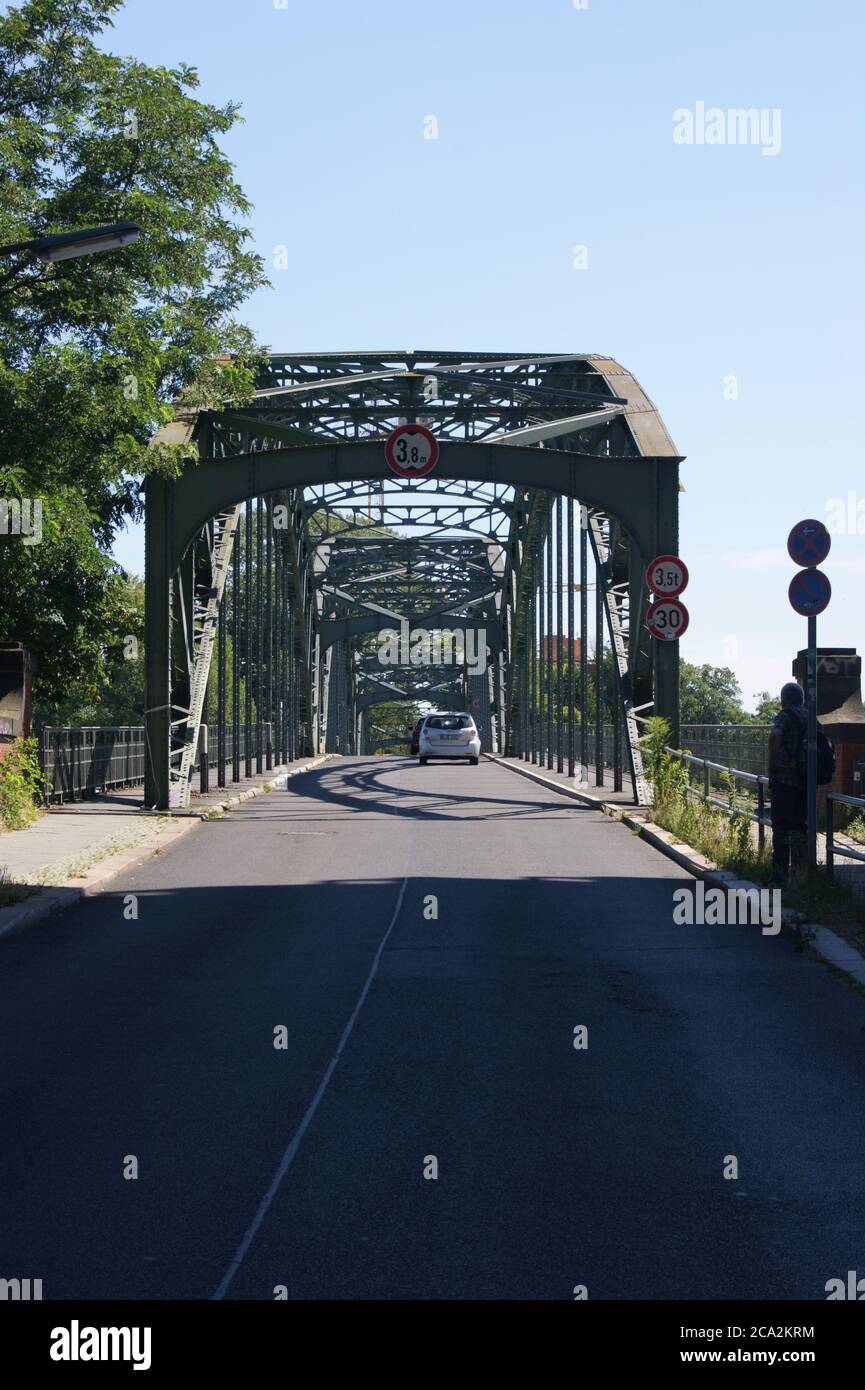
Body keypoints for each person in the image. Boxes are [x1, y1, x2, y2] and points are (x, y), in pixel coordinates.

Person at [767, 682, 807, 882]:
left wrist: (772, 766)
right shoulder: (811, 717)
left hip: (785, 780)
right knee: (801, 827)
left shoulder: (785, 716)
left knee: (781, 828)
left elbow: (775, 735)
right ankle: (800, 873)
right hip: (806, 783)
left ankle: (780, 875)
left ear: (784, 699)